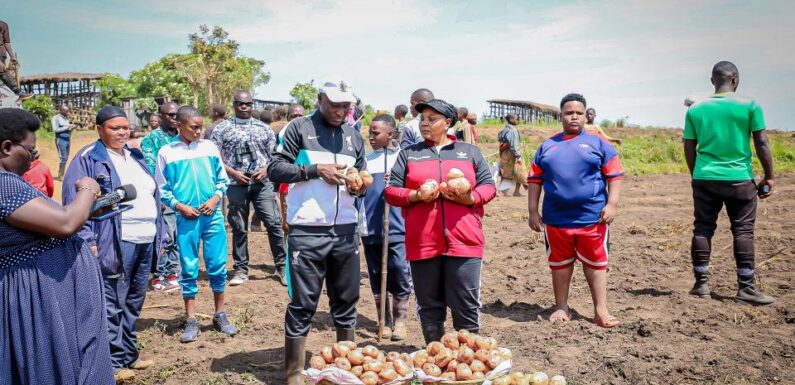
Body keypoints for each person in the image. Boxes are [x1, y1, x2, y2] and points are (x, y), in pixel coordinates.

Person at [0, 108, 114, 385]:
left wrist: (85, 211)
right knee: (52, 364)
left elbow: (49, 224)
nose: (33, 159)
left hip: (41, 289)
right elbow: (64, 223)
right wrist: (87, 189)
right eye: (31, 151)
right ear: (6, 147)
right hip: (40, 295)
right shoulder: (5, 185)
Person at [268, 80, 367, 385]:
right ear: (320, 99)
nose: (341, 111)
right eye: (335, 104)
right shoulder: (297, 129)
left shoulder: (353, 136)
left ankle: (345, 365)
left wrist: (362, 183)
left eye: (346, 106)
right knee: (303, 303)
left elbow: (360, 176)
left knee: (347, 302)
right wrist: (314, 170)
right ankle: (294, 373)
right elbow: (274, 168)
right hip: (308, 231)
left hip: (346, 230)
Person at [62, 106, 166, 381]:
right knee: (112, 302)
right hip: (113, 240)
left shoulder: (135, 156)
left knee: (134, 299)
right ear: (99, 129)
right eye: (114, 128)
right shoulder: (88, 159)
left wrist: (161, 234)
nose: (122, 132)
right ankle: (113, 362)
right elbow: (74, 204)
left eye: (125, 127)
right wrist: (87, 240)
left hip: (146, 237)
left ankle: (129, 354)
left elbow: (152, 196)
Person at [385, 99, 496, 343]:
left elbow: (489, 185)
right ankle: (435, 359)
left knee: (465, 305)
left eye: (432, 119)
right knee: (429, 306)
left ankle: (467, 361)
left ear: (447, 123)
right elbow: (392, 192)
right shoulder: (409, 154)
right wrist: (415, 195)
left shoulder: (469, 152)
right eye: (422, 119)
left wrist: (470, 198)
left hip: (464, 241)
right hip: (423, 243)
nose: (424, 123)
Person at [527, 93, 624, 329]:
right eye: (569, 112)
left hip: (592, 218)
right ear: (560, 116)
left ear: (586, 115)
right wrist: (532, 210)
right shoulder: (547, 146)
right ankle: (561, 307)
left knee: (596, 264)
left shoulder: (599, 143)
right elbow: (534, 179)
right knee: (559, 265)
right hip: (556, 219)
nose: (574, 116)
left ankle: (601, 310)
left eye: (579, 113)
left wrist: (611, 204)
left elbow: (615, 176)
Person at [683, 61, 776, 305]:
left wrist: (697, 174)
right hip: (739, 179)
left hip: (705, 177)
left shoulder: (695, 109)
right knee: (743, 231)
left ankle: (701, 284)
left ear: (713, 81)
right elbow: (762, 142)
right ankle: (746, 288)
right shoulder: (750, 105)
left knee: (703, 228)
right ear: (734, 78)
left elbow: (689, 145)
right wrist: (769, 176)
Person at [156, 106, 237, 342]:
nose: (199, 131)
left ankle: (220, 314)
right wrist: (180, 206)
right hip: (186, 217)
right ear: (179, 125)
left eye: (201, 126)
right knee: (189, 268)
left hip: (212, 217)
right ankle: (191, 319)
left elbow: (222, 179)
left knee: (217, 265)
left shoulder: (209, 147)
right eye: (194, 127)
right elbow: (162, 188)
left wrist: (214, 199)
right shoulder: (167, 152)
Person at [211, 90, 286, 286]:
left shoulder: (265, 129)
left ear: (253, 105)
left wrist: (266, 169)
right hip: (236, 185)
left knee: (273, 223)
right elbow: (215, 158)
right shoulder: (222, 129)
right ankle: (241, 269)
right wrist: (233, 173)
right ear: (234, 105)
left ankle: (281, 267)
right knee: (239, 227)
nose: (244, 107)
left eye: (248, 104)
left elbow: (275, 157)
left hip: (261, 184)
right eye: (240, 104)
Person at [360, 114, 411, 341]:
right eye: (370, 132)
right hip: (370, 226)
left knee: (399, 269)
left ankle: (401, 320)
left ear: (390, 134)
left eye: (376, 133)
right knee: (374, 273)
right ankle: (385, 320)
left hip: (398, 226)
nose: (371, 137)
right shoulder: (365, 160)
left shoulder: (403, 158)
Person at [141, 102, 181, 292]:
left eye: (176, 115)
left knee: (179, 236)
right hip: (165, 196)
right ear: (161, 116)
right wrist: (158, 198)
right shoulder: (152, 140)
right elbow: (151, 170)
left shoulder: (184, 136)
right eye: (170, 115)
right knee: (165, 237)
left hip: (184, 196)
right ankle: (159, 275)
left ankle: (174, 272)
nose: (174, 118)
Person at [497, 113, 527, 196]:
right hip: (513, 154)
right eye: (516, 119)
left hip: (506, 153)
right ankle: (507, 191)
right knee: (519, 172)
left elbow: (500, 139)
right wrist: (518, 156)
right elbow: (514, 144)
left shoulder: (505, 129)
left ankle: (503, 191)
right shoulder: (513, 130)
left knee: (506, 172)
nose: (518, 120)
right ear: (511, 119)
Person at [0, 20, 30, 99]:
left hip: (2, 54)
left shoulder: (3, 24)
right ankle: (18, 92)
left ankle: (18, 92)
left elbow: (7, 43)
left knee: (3, 73)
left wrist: (12, 56)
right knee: (3, 73)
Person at [52, 105, 77, 180]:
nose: (68, 113)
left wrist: (72, 128)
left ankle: (61, 174)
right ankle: (60, 176)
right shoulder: (55, 118)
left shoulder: (66, 119)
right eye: (67, 111)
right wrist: (67, 127)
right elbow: (55, 129)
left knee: (65, 158)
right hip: (60, 140)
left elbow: (67, 129)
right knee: (63, 158)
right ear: (62, 111)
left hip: (67, 140)